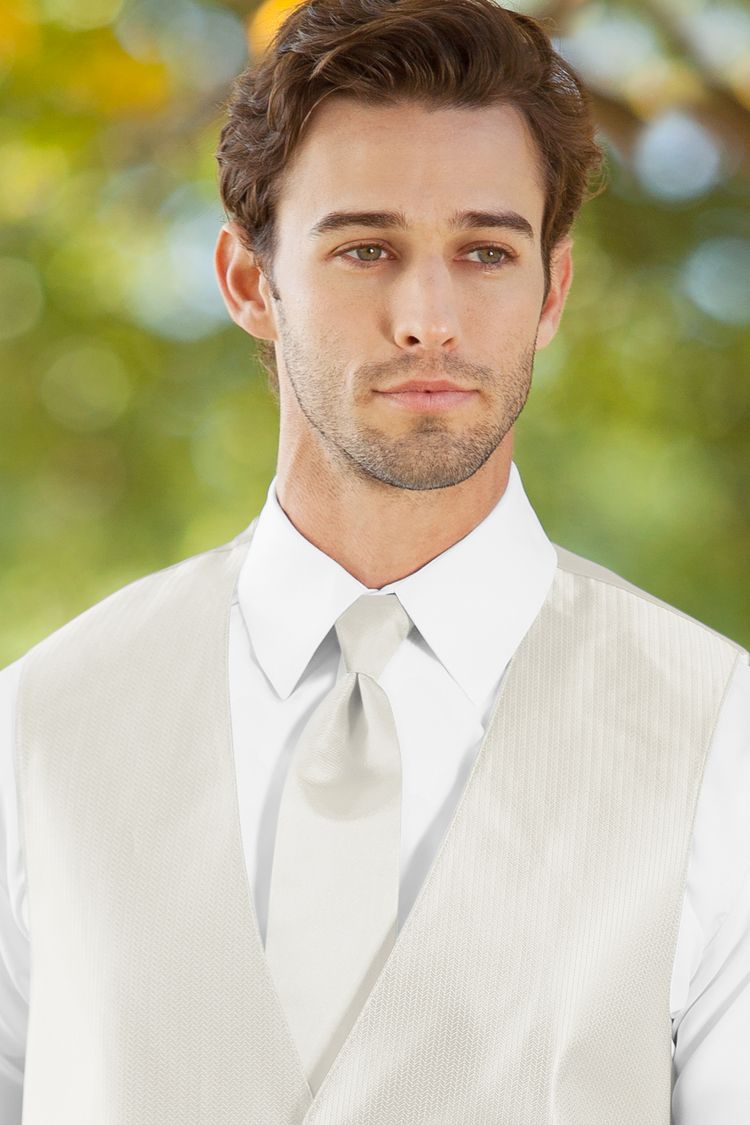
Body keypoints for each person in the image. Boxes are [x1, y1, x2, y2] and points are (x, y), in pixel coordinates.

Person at [0, 0, 748, 1121]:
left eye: (486, 251)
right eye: (366, 247)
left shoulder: (723, 739)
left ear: (551, 292)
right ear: (251, 283)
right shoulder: (39, 730)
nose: (427, 316)